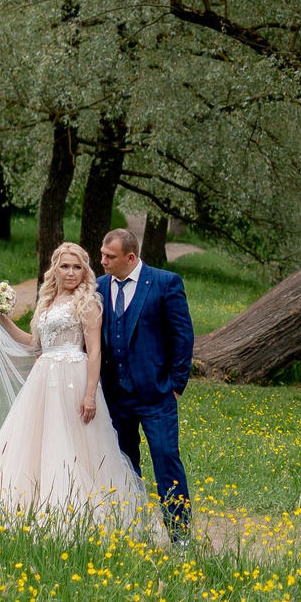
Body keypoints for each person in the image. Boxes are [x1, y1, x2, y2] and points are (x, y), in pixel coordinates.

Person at [0, 242, 163, 542]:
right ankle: (32, 512)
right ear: (54, 268)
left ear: (86, 270)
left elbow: (94, 352)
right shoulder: (48, 302)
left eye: (77, 267)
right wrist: (0, 316)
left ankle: (78, 518)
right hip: (44, 379)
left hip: (74, 376)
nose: (71, 273)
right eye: (65, 266)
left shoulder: (88, 302)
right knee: (38, 444)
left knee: (76, 446)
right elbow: (34, 344)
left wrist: (90, 394)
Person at [97, 226, 195, 544]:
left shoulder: (165, 283)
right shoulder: (98, 287)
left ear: (130, 257)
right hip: (114, 396)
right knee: (123, 463)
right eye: (101, 254)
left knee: (166, 458)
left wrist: (176, 384)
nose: (102, 261)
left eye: (109, 256)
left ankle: (179, 535)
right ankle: (131, 528)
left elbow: (183, 337)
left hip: (156, 394)